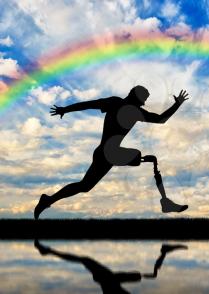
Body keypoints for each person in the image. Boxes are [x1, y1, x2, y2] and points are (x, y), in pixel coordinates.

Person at [34, 86, 189, 219]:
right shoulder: (133, 111)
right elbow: (161, 119)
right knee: (142, 157)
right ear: (137, 98)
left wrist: (65, 109)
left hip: (104, 153)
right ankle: (166, 203)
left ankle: (48, 200)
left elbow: (89, 105)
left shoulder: (115, 103)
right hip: (111, 153)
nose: (143, 104)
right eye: (143, 101)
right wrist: (177, 104)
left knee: (84, 186)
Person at [34, 239, 187, 294]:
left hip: (109, 281)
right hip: (111, 280)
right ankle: (164, 251)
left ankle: (49, 251)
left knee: (85, 260)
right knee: (150, 275)